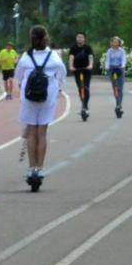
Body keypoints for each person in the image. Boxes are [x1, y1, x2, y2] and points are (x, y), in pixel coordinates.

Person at [17, 24, 65, 191]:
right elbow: (62, 72)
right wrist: (57, 86)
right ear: (46, 38)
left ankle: (31, 168)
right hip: (47, 96)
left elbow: (19, 75)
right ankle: (40, 168)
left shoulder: (26, 56)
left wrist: (22, 86)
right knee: (42, 132)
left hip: (29, 97)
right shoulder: (53, 56)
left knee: (31, 132)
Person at [67, 32, 95, 121]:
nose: (79, 38)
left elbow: (91, 57)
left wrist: (90, 65)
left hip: (87, 70)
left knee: (86, 87)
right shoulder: (73, 48)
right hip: (77, 70)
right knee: (80, 88)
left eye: (81, 37)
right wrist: (71, 66)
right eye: (78, 37)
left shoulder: (88, 47)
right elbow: (71, 58)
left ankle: (85, 106)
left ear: (84, 39)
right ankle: (83, 105)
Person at [104, 36, 129, 118]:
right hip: (112, 69)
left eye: (116, 42)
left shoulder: (122, 51)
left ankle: (119, 105)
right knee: (115, 87)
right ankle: (117, 102)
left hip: (119, 69)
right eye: (113, 42)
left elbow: (123, 59)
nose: (115, 43)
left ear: (119, 43)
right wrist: (107, 67)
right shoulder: (109, 51)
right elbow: (107, 60)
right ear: (111, 43)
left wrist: (122, 66)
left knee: (120, 88)